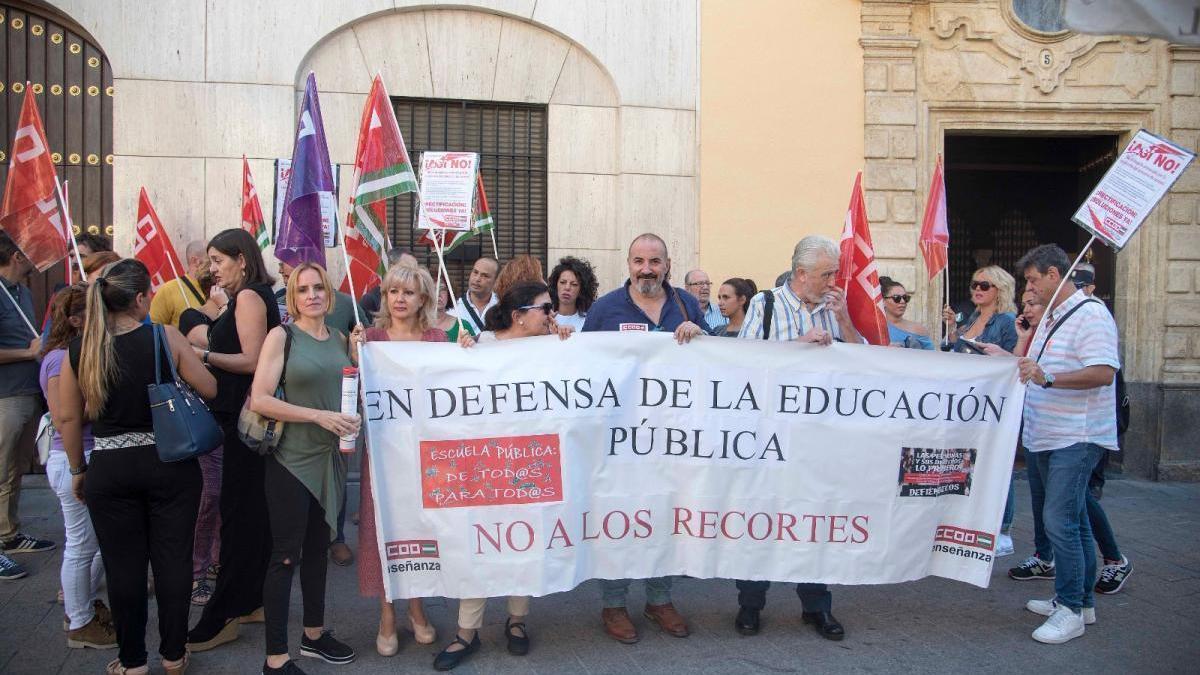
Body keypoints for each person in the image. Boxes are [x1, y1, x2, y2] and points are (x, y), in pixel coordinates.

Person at [58, 258, 217, 674]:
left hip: (109, 467)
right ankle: (173, 654)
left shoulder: (80, 350)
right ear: (142, 298)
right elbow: (209, 387)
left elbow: (69, 419)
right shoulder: (164, 338)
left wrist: (78, 469)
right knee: (173, 561)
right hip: (171, 465)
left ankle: (132, 661)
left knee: (122, 567)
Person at [435, 281, 573, 670]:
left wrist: (569, 341)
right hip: (486, 463)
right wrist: (460, 353)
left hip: (531, 462)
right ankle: (466, 632)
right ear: (519, 316)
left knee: (524, 542)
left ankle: (516, 621)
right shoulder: (479, 344)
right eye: (546, 309)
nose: (553, 315)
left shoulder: (554, 346)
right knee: (479, 541)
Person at [582, 233, 708, 644]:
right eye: (639, 261)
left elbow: (719, 366)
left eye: (654, 261)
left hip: (674, 437)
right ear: (629, 264)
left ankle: (659, 599)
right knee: (618, 517)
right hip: (619, 438)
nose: (646, 269)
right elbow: (580, 366)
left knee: (667, 515)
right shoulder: (605, 309)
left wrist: (701, 337)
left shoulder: (687, 305)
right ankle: (614, 604)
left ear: (667, 265)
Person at [733, 235, 855, 641]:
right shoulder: (765, 305)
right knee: (760, 522)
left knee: (813, 521)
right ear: (802, 274)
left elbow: (868, 363)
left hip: (817, 440)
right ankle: (750, 605)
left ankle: (816, 607)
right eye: (827, 274)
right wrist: (797, 347)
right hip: (768, 439)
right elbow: (743, 365)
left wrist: (845, 324)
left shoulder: (833, 309)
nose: (833, 280)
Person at [251, 262, 360, 674]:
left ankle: (313, 634)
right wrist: (317, 417)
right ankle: (275, 658)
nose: (312, 295)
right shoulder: (281, 337)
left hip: (330, 459)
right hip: (291, 460)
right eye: (302, 290)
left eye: (318, 287)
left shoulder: (338, 338)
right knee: (285, 556)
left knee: (318, 551)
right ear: (292, 298)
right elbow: (259, 398)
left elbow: (345, 390)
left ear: (329, 294)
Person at [1014, 244, 1121, 644]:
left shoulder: (1091, 315)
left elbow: (1102, 373)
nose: (1030, 286)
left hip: (1076, 435)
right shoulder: (1053, 317)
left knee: (1060, 521)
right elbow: (1036, 367)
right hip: (1047, 432)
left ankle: (1071, 609)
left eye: (1033, 278)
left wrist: (1049, 378)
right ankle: (1079, 601)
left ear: (1056, 275)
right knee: (1071, 521)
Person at [188, 229, 282, 652]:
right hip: (244, 423)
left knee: (240, 516)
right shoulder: (249, 297)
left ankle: (224, 613)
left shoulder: (248, 297)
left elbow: (252, 358)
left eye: (217, 261)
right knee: (250, 516)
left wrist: (202, 356)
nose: (213, 270)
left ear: (241, 259)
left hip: (246, 424)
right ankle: (251, 600)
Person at [351, 264, 442, 658]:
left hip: (426, 456)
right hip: (384, 455)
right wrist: (351, 351)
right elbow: (353, 393)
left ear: (423, 299)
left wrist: (470, 352)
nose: (399, 299)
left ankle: (417, 609)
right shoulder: (368, 339)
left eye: (408, 292)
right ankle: (387, 615)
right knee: (381, 530)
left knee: (421, 528)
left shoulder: (438, 340)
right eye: (392, 292)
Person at [39, 283, 116, 648]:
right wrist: (107, 399)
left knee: (96, 542)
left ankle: (81, 606)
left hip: (84, 456)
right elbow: (63, 416)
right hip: (71, 458)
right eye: (93, 311)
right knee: (82, 544)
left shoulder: (80, 351)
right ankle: (79, 620)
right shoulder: (58, 359)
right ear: (74, 320)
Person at [0, 232, 55, 583]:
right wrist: (28, 353)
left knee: (15, 468)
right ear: (16, 256)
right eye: (30, 252)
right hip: (5, 396)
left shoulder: (21, 291)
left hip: (24, 392)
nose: (37, 257)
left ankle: (9, 533)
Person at [941, 265, 1017, 354]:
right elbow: (956, 347)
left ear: (1000, 289)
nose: (977, 288)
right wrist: (951, 326)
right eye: (974, 285)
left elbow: (1012, 360)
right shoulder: (975, 316)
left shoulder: (1007, 320)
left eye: (984, 285)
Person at [149, 240, 208, 328]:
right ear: (196, 261)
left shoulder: (220, 288)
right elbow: (153, 330)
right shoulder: (168, 290)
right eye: (211, 261)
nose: (215, 267)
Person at [357, 248, 418, 324]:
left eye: (415, 269)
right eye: (406, 268)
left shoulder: (419, 296)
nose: (413, 273)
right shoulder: (370, 300)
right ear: (391, 267)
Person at [879, 276, 933, 349]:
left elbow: (930, 357)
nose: (902, 301)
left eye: (905, 298)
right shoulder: (876, 329)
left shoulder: (919, 330)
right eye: (896, 298)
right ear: (883, 301)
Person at [548, 256, 598, 331]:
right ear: (556, 285)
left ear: (582, 289)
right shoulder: (546, 319)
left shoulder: (588, 320)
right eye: (562, 282)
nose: (567, 287)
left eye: (574, 284)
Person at [450, 257, 499, 334]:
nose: (477, 279)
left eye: (485, 276)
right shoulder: (453, 308)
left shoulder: (503, 307)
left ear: (496, 281)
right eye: (475, 272)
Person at [433, 275, 476, 343]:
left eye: (442, 289)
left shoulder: (463, 326)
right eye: (433, 289)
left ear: (449, 293)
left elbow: (475, 351)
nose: (438, 294)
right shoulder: (416, 326)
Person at [684, 269, 727, 334]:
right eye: (700, 283)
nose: (705, 287)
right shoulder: (680, 312)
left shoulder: (722, 312)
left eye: (708, 283)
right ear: (687, 288)